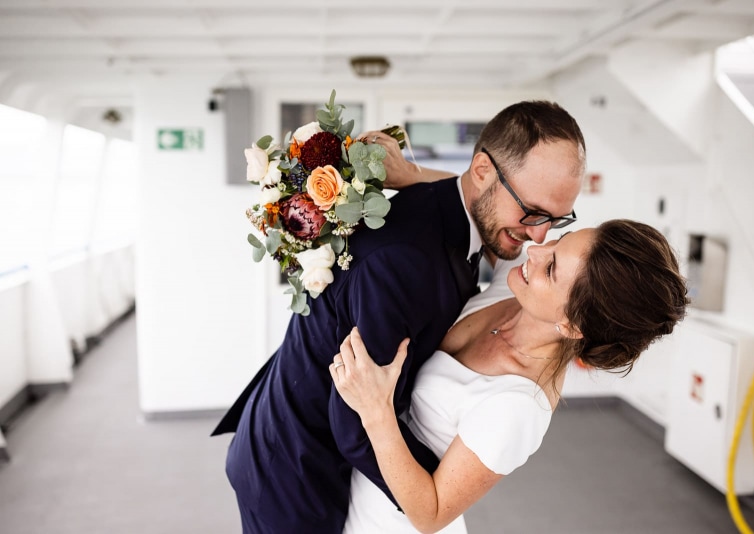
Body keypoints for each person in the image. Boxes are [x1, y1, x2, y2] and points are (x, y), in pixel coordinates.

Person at [211, 100, 586, 533]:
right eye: (533, 212)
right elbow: (352, 420)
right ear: (482, 171)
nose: (538, 236)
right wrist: (441, 489)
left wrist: (413, 174)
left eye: (557, 220)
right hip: (293, 471)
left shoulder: (460, 216)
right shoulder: (405, 262)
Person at [331, 220, 689, 533]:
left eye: (551, 268)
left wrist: (375, 412)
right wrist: (406, 172)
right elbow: (485, 198)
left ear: (571, 325)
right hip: (345, 492)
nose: (536, 250)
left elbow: (432, 515)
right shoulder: (519, 283)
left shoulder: (516, 407)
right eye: (558, 241)